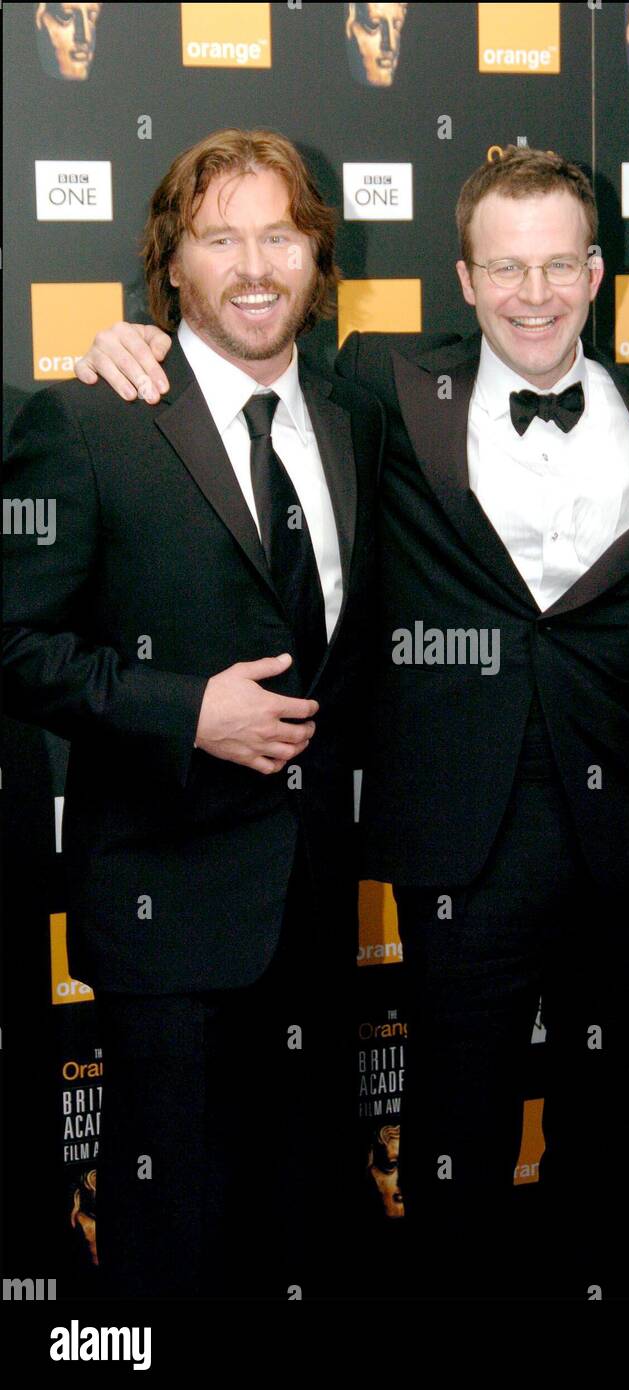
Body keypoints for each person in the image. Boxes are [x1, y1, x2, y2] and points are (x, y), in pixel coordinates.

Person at [74, 145, 629, 1300]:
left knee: (610, 1141)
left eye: (556, 266)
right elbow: (235, 362)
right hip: (459, 850)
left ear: (596, 274)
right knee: (453, 1149)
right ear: (465, 279)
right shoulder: (382, 393)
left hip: (623, 849)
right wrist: (124, 344)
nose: (532, 294)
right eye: (504, 268)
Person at [4, 127, 383, 1299]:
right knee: (172, 1229)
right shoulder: (92, 419)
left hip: (317, 904)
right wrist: (186, 711)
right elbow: (14, 642)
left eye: (280, 235)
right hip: (162, 905)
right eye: (221, 238)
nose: (254, 266)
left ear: (318, 260)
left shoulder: (356, 415)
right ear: (171, 266)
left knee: (296, 1212)